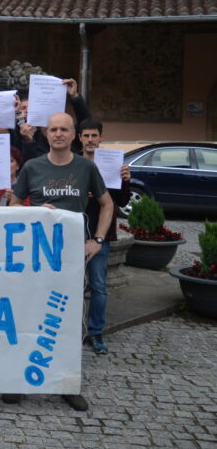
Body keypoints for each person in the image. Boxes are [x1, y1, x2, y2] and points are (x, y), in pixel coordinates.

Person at [8, 112, 114, 411]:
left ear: (74, 135)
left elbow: (107, 205)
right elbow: (14, 204)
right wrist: (37, 210)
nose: (57, 134)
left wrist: (98, 240)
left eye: (64, 129)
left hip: (71, 259)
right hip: (37, 257)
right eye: (53, 129)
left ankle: (67, 383)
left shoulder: (85, 167)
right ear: (47, 133)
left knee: (66, 322)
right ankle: (20, 381)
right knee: (30, 317)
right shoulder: (32, 167)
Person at [78, 117, 131, 355]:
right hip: (75, 233)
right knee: (72, 286)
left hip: (102, 235)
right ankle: (73, 331)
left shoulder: (112, 164)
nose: (90, 140)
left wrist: (125, 182)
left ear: (101, 137)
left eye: (94, 135)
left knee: (99, 286)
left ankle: (96, 332)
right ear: (79, 138)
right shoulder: (73, 163)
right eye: (86, 135)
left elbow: (121, 202)